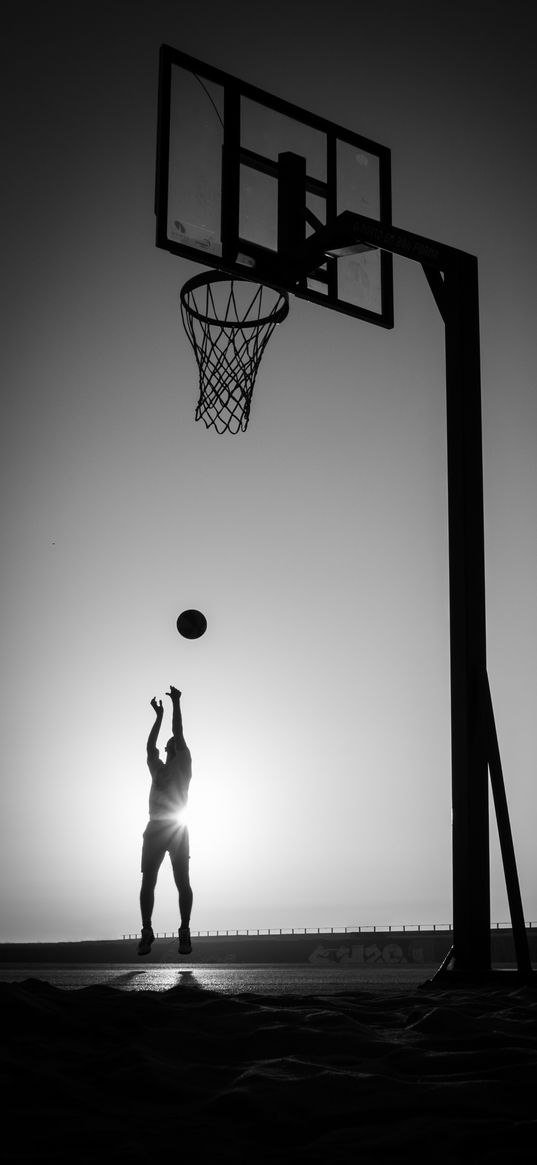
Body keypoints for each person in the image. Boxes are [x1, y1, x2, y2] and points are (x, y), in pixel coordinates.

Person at [138, 685, 193, 957]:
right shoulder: (158, 769)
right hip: (155, 827)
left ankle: (184, 930)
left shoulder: (183, 762)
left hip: (177, 828)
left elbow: (179, 731)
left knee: (181, 880)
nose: (169, 742)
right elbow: (149, 747)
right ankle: (147, 930)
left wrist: (176, 703)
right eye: (169, 741)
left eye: (172, 741)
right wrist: (157, 716)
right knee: (148, 880)